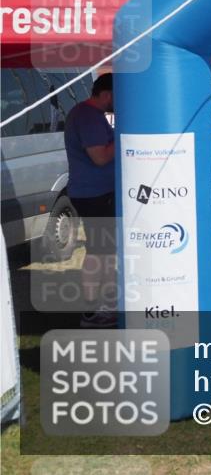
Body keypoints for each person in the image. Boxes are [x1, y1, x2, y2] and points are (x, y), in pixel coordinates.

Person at [64, 72, 116, 327]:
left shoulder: (89, 115)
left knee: (103, 251)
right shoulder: (87, 116)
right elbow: (100, 157)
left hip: (96, 193)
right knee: (100, 253)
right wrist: (123, 136)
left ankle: (101, 306)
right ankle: (94, 310)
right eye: (118, 97)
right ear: (106, 94)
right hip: (94, 194)